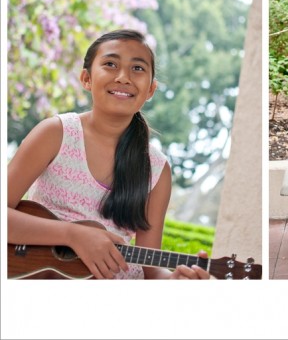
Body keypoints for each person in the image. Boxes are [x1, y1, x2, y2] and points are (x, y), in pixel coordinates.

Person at [8, 29, 210, 279]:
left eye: (137, 68)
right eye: (110, 64)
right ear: (86, 78)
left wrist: (172, 280)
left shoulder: (157, 168)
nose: (124, 77)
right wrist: (73, 236)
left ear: (150, 90)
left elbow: (150, 265)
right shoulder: (55, 134)